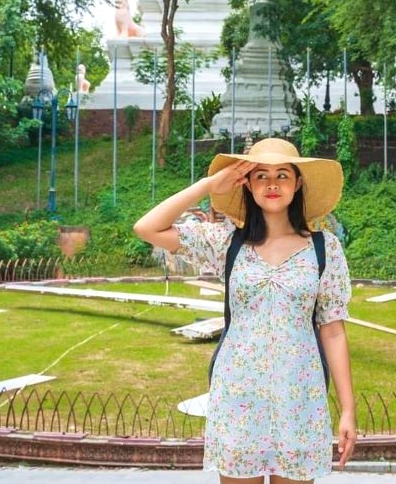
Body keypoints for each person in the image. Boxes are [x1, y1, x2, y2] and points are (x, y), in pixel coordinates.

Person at [133, 137, 356, 484]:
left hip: (299, 394)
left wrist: (348, 411)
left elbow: (333, 330)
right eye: (260, 175)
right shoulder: (226, 242)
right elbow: (147, 227)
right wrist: (209, 185)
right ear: (247, 184)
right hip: (239, 394)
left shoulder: (324, 249)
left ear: (298, 184)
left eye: (283, 175)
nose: (272, 184)